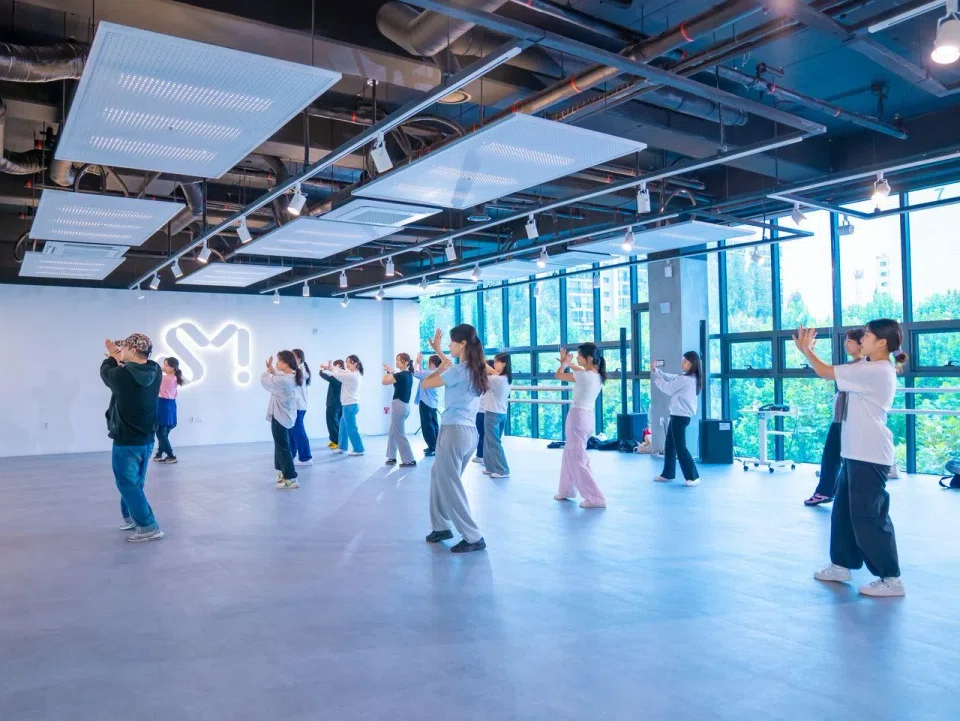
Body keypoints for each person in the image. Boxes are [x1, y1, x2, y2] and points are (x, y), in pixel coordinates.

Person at [795, 319, 907, 598]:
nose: (863, 338)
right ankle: (841, 564)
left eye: (868, 335)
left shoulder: (876, 369)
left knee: (869, 517)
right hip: (855, 453)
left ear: (882, 342)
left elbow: (824, 371)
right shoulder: (869, 368)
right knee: (843, 513)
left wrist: (807, 351)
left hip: (870, 455)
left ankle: (891, 578)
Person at [419, 325, 489, 553]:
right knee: (439, 476)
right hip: (468, 433)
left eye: (450, 343)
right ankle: (441, 526)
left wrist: (438, 366)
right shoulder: (475, 369)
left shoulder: (460, 371)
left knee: (449, 483)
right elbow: (453, 369)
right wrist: (440, 353)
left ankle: (473, 535)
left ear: (462, 344)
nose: (448, 347)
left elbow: (426, 383)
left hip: (454, 431)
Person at [100, 334, 164, 542]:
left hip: (126, 439)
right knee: (135, 482)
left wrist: (111, 358)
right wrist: (119, 360)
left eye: (125, 348)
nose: (122, 351)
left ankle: (148, 526)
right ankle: (130, 517)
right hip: (147, 437)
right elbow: (129, 370)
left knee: (127, 483)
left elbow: (105, 372)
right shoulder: (156, 370)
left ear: (134, 351)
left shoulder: (121, 376)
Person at [804, 329, 865, 506]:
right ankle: (828, 491)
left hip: (848, 420)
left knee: (833, 456)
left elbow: (825, 372)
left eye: (849, 341)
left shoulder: (863, 367)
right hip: (841, 418)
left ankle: (826, 491)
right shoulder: (854, 365)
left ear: (861, 343)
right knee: (833, 456)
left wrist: (808, 351)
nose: (845, 344)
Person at [554, 343, 607, 508]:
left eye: (579, 355)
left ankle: (595, 497)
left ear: (589, 358)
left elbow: (559, 375)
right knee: (570, 453)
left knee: (577, 457)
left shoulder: (584, 376)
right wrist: (569, 363)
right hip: (586, 417)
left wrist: (564, 364)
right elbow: (580, 370)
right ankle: (566, 489)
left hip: (578, 417)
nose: (577, 357)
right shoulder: (596, 375)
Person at [652, 351, 703, 487]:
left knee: (680, 447)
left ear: (693, 364)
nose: (682, 363)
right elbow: (672, 378)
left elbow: (669, 388)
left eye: (685, 361)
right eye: (682, 360)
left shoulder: (686, 380)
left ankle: (693, 476)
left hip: (680, 417)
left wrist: (658, 381)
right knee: (670, 446)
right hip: (677, 416)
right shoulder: (689, 378)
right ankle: (667, 474)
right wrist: (657, 371)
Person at [261, 350, 303, 490]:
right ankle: (282, 473)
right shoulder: (292, 375)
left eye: (279, 361)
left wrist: (268, 370)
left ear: (286, 363)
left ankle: (291, 478)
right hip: (286, 416)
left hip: (280, 417)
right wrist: (273, 370)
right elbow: (277, 377)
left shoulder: (284, 380)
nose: (277, 363)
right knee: (281, 446)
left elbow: (264, 380)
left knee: (282, 447)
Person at [321, 355, 364, 456]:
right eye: (347, 361)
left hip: (350, 406)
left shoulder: (352, 376)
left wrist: (331, 368)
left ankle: (359, 449)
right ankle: (342, 447)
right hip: (347, 405)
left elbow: (338, 375)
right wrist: (330, 367)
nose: (347, 364)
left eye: (349, 362)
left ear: (356, 363)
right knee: (343, 427)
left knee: (351, 428)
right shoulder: (351, 373)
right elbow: (341, 371)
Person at [382, 353, 416, 467]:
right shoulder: (408, 374)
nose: (397, 362)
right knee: (393, 432)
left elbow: (384, 381)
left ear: (406, 362)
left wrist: (387, 373)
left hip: (399, 406)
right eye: (396, 360)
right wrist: (391, 372)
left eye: (399, 361)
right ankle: (391, 457)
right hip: (405, 407)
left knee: (399, 434)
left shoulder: (400, 375)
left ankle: (409, 459)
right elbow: (397, 378)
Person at [482, 353, 512, 479]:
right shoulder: (506, 379)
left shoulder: (497, 379)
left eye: (496, 362)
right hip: (501, 413)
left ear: (504, 364)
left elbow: (483, 374)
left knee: (493, 442)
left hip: (493, 413)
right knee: (489, 441)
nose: (494, 365)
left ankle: (502, 470)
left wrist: (481, 361)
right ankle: (490, 467)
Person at [153, 356, 184, 464]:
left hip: (162, 404)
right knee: (164, 433)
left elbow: (153, 377)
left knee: (161, 433)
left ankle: (171, 456)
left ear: (173, 367)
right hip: (170, 405)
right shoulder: (175, 377)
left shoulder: (166, 378)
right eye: (164, 364)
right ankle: (159, 454)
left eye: (166, 365)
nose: (164, 367)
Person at [288, 348, 313, 466]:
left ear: (299, 358)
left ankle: (306, 457)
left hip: (298, 407)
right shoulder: (298, 369)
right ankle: (292, 455)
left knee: (298, 432)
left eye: (293, 356)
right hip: (297, 407)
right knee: (293, 432)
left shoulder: (300, 370)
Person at [414, 353, 441, 456]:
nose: (428, 364)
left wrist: (417, 362)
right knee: (434, 424)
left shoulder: (429, 373)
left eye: (429, 362)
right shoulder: (436, 373)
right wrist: (420, 363)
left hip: (425, 402)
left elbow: (416, 373)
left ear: (432, 363)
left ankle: (432, 447)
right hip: (433, 403)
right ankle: (435, 446)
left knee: (427, 426)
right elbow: (422, 374)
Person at [318, 359, 344, 449]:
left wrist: (323, 369)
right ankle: (337, 441)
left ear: (338, 366)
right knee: (338, 422)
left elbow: (322, 374)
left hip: (333, 403)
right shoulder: (344, 375)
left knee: (332, 423)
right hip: (341, 403)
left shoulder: (336, 377)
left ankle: (336, 441)